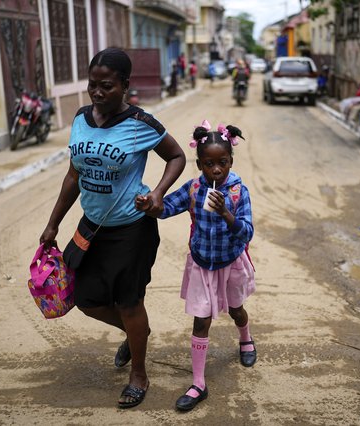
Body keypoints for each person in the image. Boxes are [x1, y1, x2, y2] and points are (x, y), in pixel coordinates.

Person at [39, 47, 185, 409]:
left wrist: (157, 193)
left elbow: (177, 156)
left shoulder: (141, 123)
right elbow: (74, 174)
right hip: (90, 227)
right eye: (93, 85)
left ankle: (139, 373)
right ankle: (137, 334)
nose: (98, 93)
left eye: (106, 85)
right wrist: (52, 223)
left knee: (129, 301)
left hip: (131, 230)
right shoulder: (79, 118)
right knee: (85, 299)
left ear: (124, 85)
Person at [136, 119, 256, 412]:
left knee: (236, 310)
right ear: (200, 164)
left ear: (231, 160)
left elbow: (247, 231)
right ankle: (199, 383)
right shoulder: (194, 189)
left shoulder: (239, 192)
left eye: (222, 163)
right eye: (208, 164)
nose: (216, 170)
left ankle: (246, 337)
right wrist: (150, 205)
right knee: (201, 320)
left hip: (230, 262)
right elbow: (166, 208)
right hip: (202, 264)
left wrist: (226, 213)